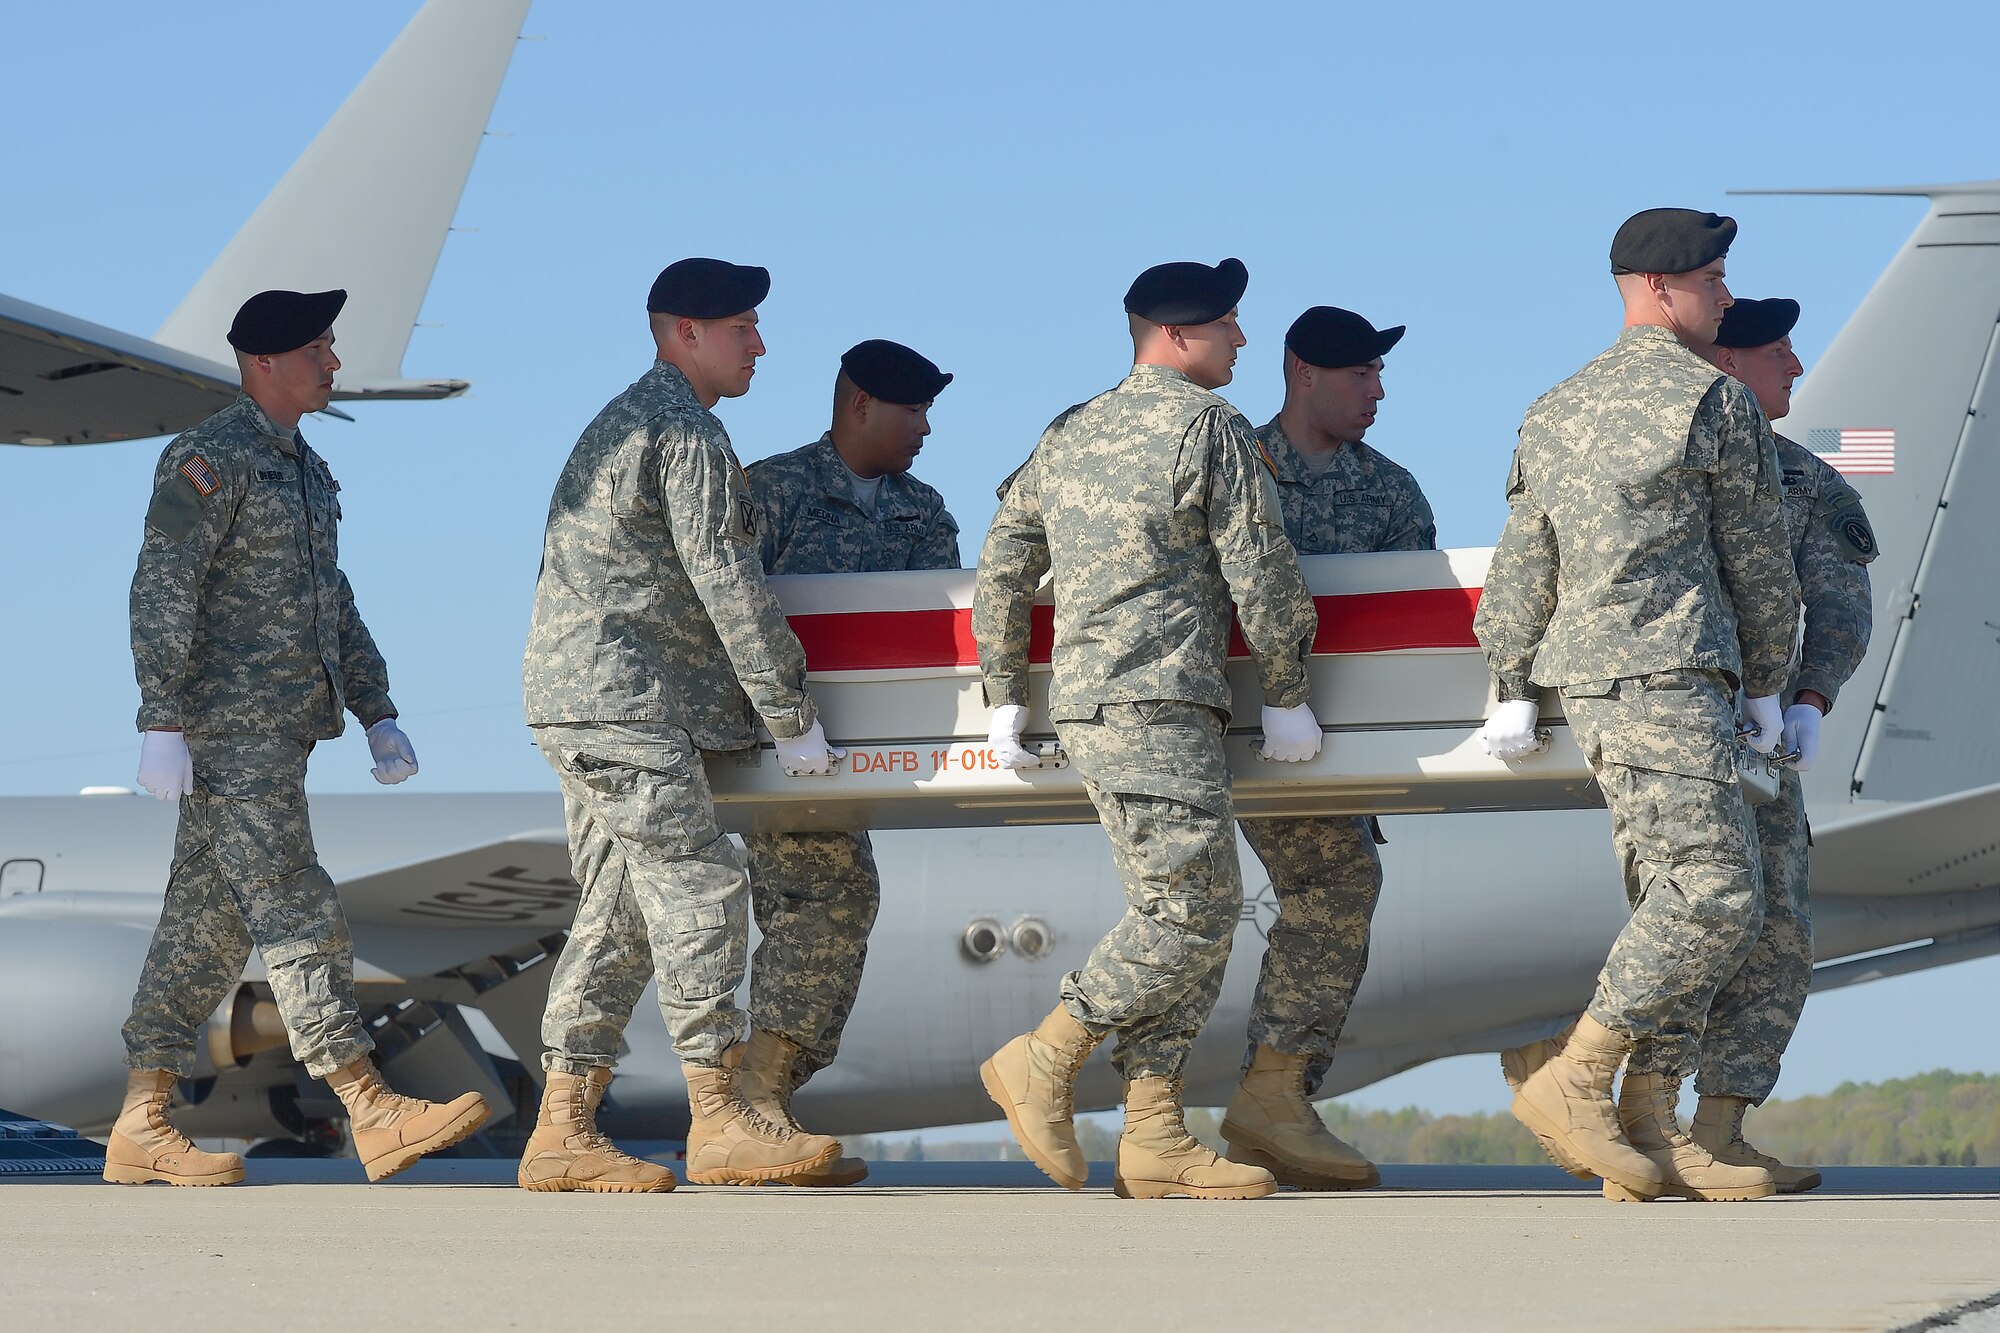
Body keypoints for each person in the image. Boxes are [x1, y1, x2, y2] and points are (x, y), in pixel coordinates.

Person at [114, 288, 487, 1186]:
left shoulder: (308, 470)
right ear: (267, 361)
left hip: (283, 730)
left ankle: (140, 1121)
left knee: (201, 930)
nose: (334, 361)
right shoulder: (208, 458)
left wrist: (377, 706)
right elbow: (161, 584)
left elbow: (334, 601)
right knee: (296, 901)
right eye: (320, 346)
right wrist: (160, 717)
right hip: (230, 729)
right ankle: (370, 1103)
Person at [973, 258, 1321, 1200]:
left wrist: (1007, 693)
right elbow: (1265, 576)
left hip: (1093, 705)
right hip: (1160, 704)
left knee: (1182, 911)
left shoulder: (1069, 430)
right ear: (1174, 335)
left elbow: (1003, 564)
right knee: (1196, 911)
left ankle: (1155, 1131)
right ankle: (1046, 1056)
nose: (1243, 339)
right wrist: (1288, 691)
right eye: (1228, 324)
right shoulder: (1207, 427)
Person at [1473, 209, 1801, 1203]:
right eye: (1712, 279)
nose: (1725, 297)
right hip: (1669, 671)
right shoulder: (1710, 400)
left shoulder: (1553, 405)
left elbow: (1523, 562)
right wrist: (1764, 683)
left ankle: (1652, 1127)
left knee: (1670, 893)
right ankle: (1573, 1079)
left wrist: (1509, 684)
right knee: (1713, 890)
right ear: (1658, 290)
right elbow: (1755, 559)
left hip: (1591, 683)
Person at [517, 258, 846, 1192]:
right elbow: (728, 583)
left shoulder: (627, 420)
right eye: (742, 327)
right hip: (630, 705)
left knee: (617, 912)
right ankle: (719, 1118)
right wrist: (791, 716)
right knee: (701, 884)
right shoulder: (684, 431)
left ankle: (562, 1131)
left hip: (586, 698)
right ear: (683, 333)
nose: (760, 343)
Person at [1220, 306, 1434, 1190]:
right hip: (1218, 724)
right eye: (1360, 374)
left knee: (1340, 883)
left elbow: (1417, 631)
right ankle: (1265, 1096)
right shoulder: (1233, 469)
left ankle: (1274, 1096)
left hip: (1327, 747)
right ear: (1304, 371)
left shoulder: (1389, 491)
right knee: (1331, 885)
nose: (1378, 389)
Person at [736, 338, 959, 1186]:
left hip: (863, 759)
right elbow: (734, 609)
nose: (926, 427)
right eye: (912, 410)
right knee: (825, 899)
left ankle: (763, 1097)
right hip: (779, 751)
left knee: (834, 901)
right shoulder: (772, 491)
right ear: (860, 404)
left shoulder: (923, 508)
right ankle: (753, 1101)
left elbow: (940, 634)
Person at [1690, 297, 1874, 1192]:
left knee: (1779, 931)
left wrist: (1810, 696)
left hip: (1760, 745)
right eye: (1777, 354)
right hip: (1666, 731)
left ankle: (1719, 1128)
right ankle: (1641, 1122)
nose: (1795, 369)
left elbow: (1839, 597)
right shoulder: (1664, 462)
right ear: (1725, 364)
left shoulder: (1803, 480)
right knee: (1686, 918)